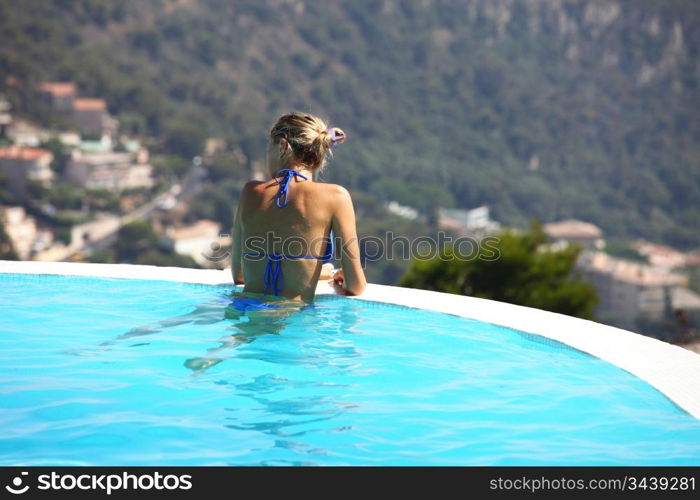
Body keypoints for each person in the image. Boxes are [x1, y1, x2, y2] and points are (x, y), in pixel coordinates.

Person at [230, 112, 366, 308]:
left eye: (269, 149)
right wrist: (322, 273)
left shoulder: (250, 192)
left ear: (283, 146)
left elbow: (239, 275)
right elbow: (355, 286)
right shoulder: (336, 196)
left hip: (245, 311)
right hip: (293, 320)